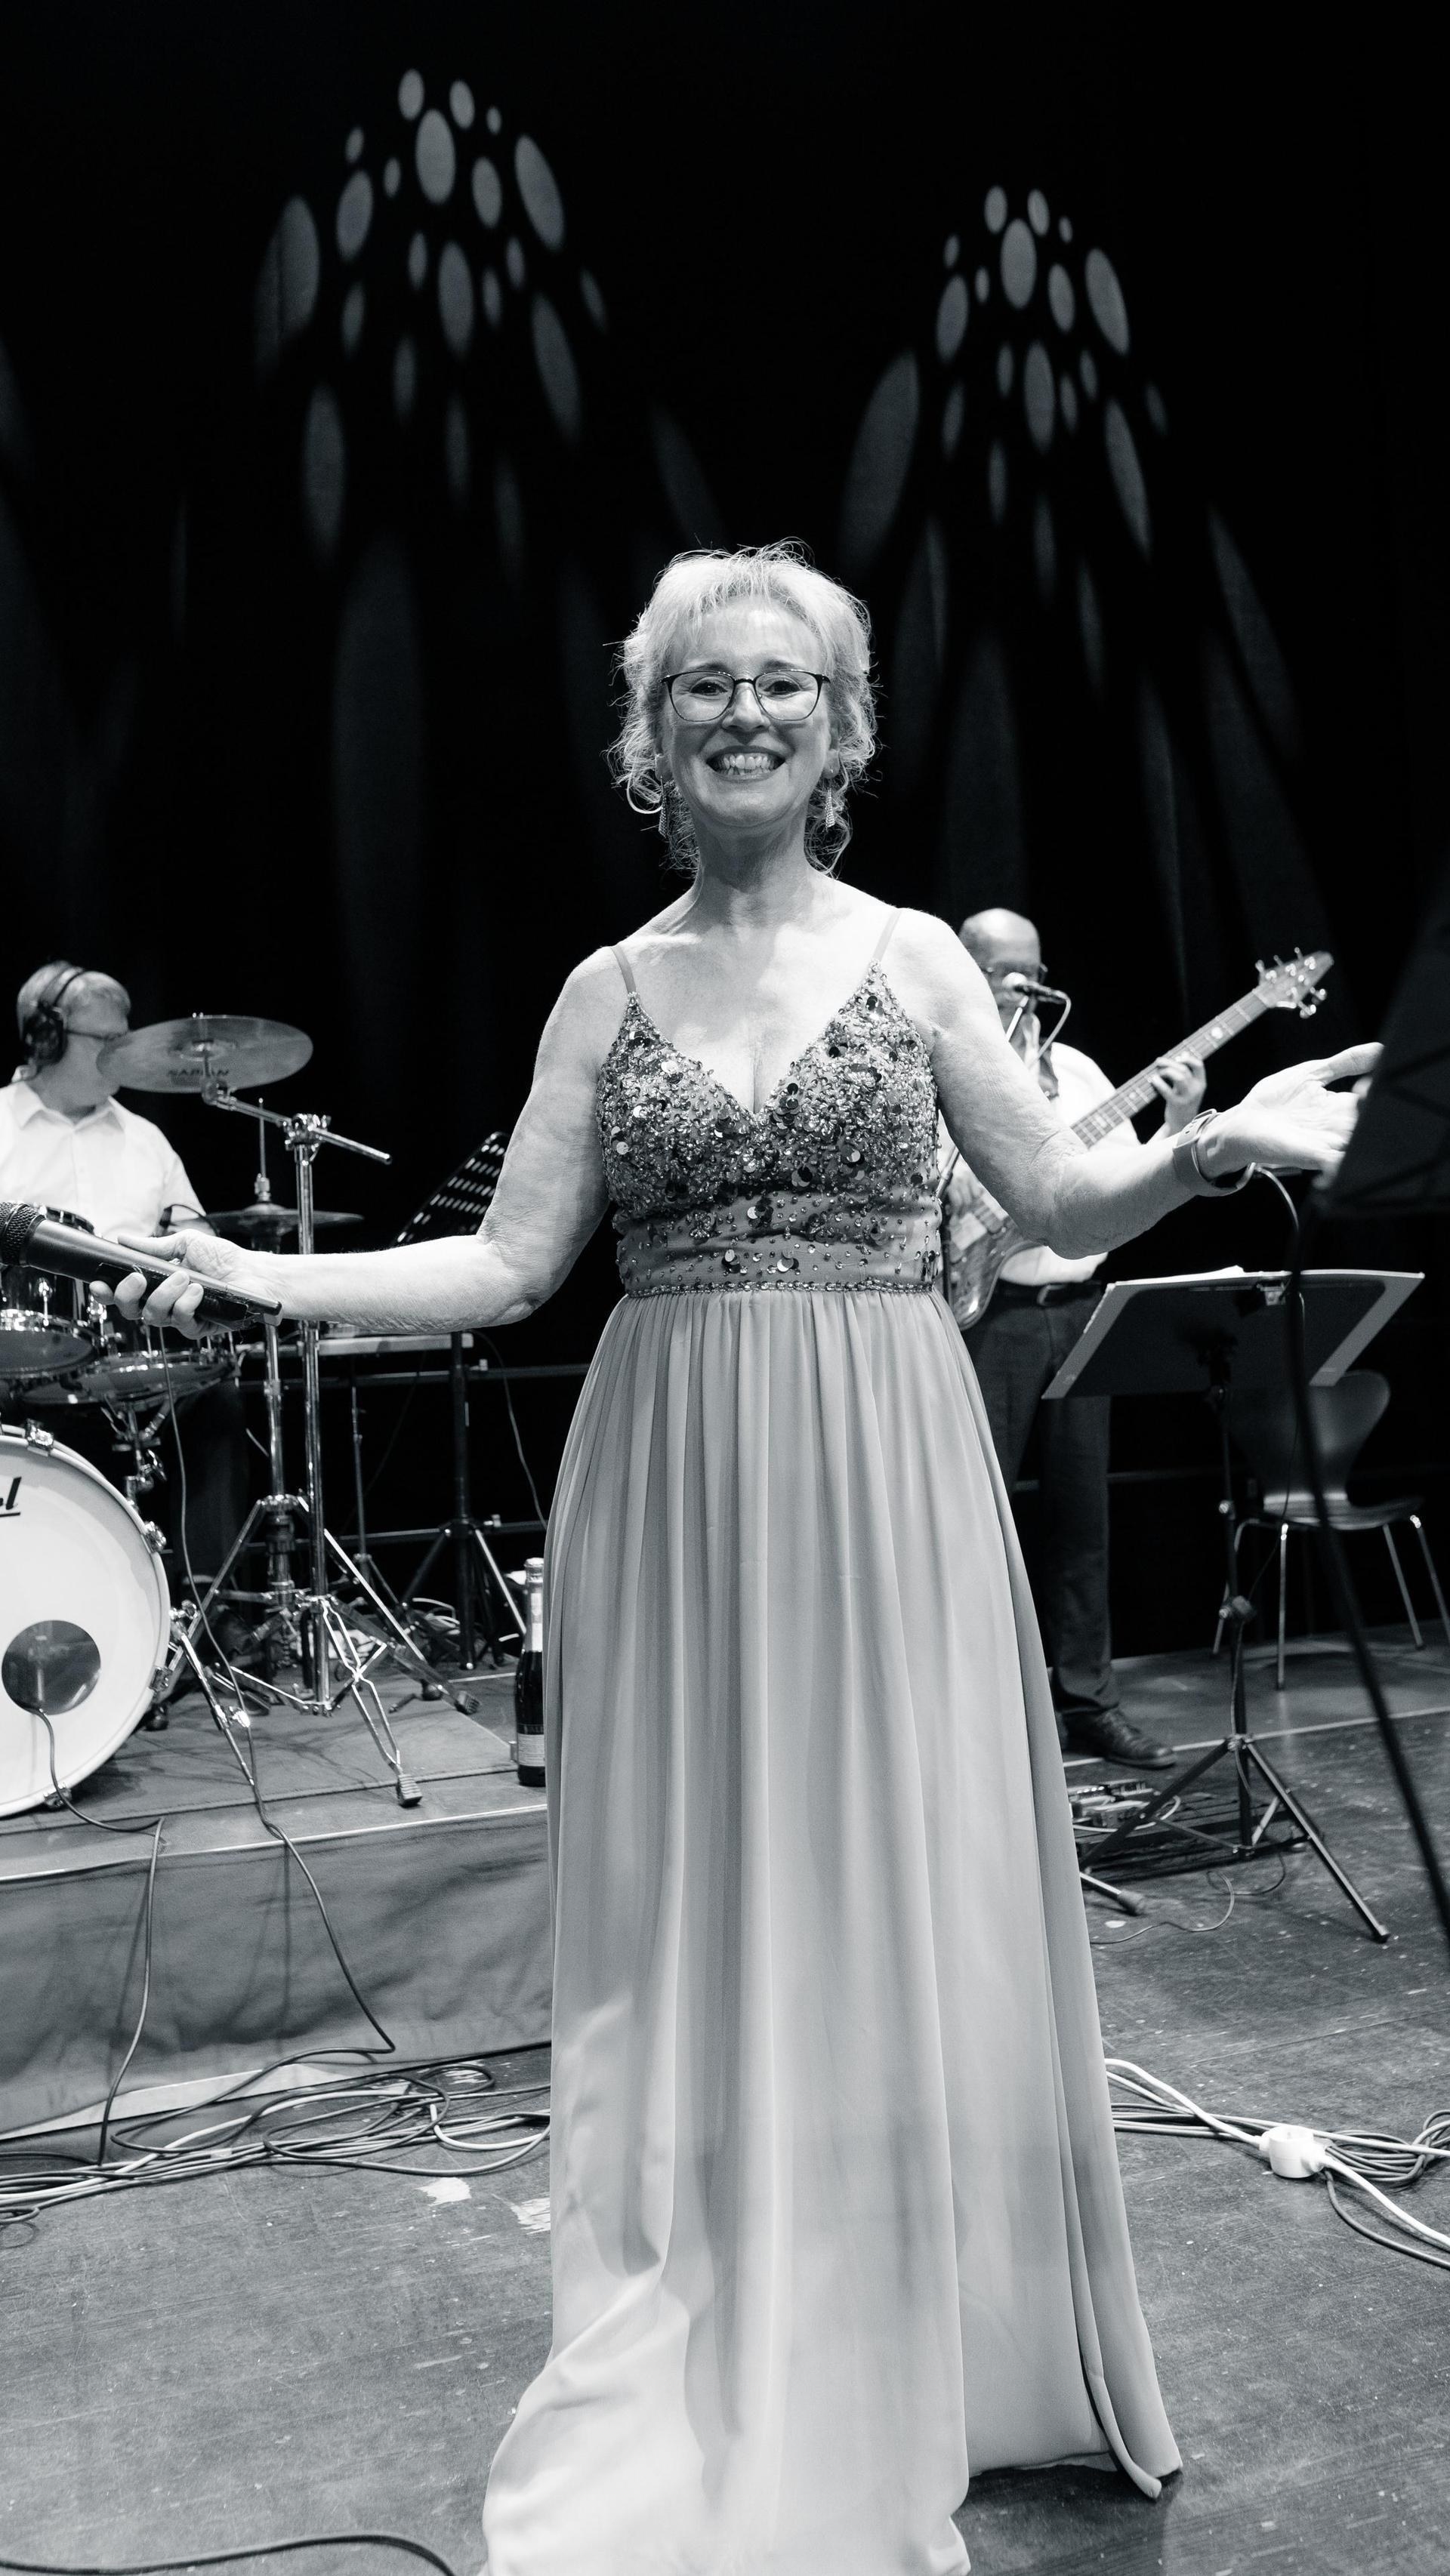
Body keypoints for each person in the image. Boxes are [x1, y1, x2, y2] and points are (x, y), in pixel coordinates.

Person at [114, 546, 1371, 2576]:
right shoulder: (605, 989)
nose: (747, 711)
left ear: (845, 725)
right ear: (651, 731)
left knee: (891, 1868)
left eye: (786, 682)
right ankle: (736, 2322)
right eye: (706, 684)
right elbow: (515, 1266)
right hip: (676, 1460)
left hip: (883, 1446)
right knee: (707, 1899)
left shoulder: (921, 960)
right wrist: (265, 1265)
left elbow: (1053, 1194)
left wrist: (1215, 1147)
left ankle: (909, 2321)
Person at [942, 909, 1205, 1769]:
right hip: (991, 1318)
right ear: (966, 972)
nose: (1024, 983)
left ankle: (1089, 1702)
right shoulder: (944, 1066)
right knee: (971, 1522)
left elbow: (1128, 1185)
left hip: (1079, 1309)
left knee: (1082, 1518)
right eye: (1002, 969)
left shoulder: (1083, 1071)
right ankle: (971, 1718)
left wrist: (1177, 1127)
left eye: (1033, 968)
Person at [0, 960, 247, 1586]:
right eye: (107, 1041)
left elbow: (200, 1239)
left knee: (219, 1395)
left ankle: (208, 1611)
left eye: (125, 1038)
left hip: (134, 1348)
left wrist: (196, 1255)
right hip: (16, 1359)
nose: (124, 1054)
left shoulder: (147, 1140)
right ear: (45, 1037)